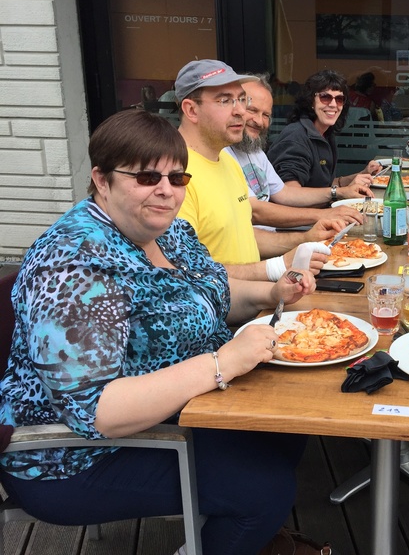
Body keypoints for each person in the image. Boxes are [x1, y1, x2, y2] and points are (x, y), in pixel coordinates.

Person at [0, 109, 317, 555]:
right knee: (267, 490)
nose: (166, 192)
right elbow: (97, 412)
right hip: (73, 458)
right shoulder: (76, 264)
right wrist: (223, 363)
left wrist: (272, 292)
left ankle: (249, 536)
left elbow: (215, 294)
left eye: (177, 178)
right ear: (102, 179)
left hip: (175, 410)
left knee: (289, 421)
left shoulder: (168, 232)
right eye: (147, 177)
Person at [174, 59, 341, 281]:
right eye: (225, 101)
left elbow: (244, 235)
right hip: (228, 312)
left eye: (242, 100)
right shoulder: (171, 176)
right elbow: (188, 277)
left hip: (257, 297)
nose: (241, 112)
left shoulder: (226, 159)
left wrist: (306, 238)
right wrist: (276, 269)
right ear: (191, 110)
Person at [227, 73, 365, 229]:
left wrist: (338, 192)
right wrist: (326, 213)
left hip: (274, 238)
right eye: (252, 110)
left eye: (266, 115)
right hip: (285, 232)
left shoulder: (254, 150)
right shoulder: (222, 154)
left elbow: (285, 193)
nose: (259, 121)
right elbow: (256, 212)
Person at [268, 70, 381, 191]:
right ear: (311, 100)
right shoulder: (295, 138)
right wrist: (339, 193)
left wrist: (363, 175)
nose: (333, 104)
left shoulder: (324, 134)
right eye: (325, 97)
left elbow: (325, 185)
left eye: (339, 99)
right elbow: (291, 193)